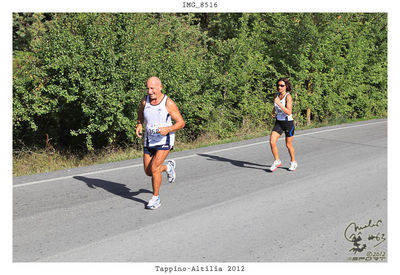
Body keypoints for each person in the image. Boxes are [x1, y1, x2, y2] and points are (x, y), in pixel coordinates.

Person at [136, 76, 185, 209]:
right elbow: (140, 114)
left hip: (165, 139)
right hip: (149, 139)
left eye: (152, 88)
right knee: (148, 171)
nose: (149, 91)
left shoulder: (168, 103)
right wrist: (139, 124)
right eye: (147, 88)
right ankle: (168, 167)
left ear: (160, 87)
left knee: (154, 168)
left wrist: (168, 129)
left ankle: (155, 198)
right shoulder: (144, 101)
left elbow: (181, 123)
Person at [269, 77, 297, 172]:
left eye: (282, 85)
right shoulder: (276, 95)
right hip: (279, 122)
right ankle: (277, 160)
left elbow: (289, 112)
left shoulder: (288, 97)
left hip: (288, 123)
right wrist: (273, 111)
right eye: (278, 85)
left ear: (286, 86)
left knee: (288, 144)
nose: (279, 87)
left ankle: (293, 162)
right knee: (272, 141)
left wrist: (279, 104)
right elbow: (276, 105)